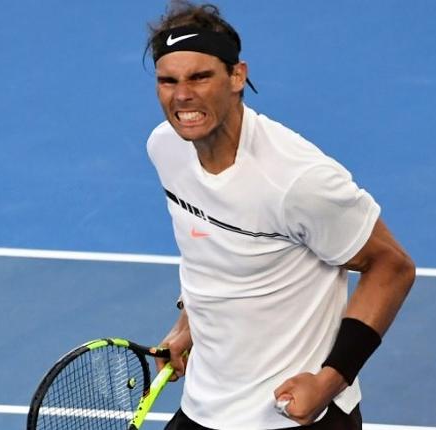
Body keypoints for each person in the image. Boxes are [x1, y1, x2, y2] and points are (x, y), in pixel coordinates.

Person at [144, 2, 416, 429]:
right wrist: (187, 325)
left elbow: (392, 267)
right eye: (168, 80)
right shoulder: (166, 147)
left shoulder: (298, 180)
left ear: (237, 76)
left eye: (200, 77)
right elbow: (209, 252)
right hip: (205, 407)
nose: (182, 96)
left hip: (293, 415)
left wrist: (329, 382)